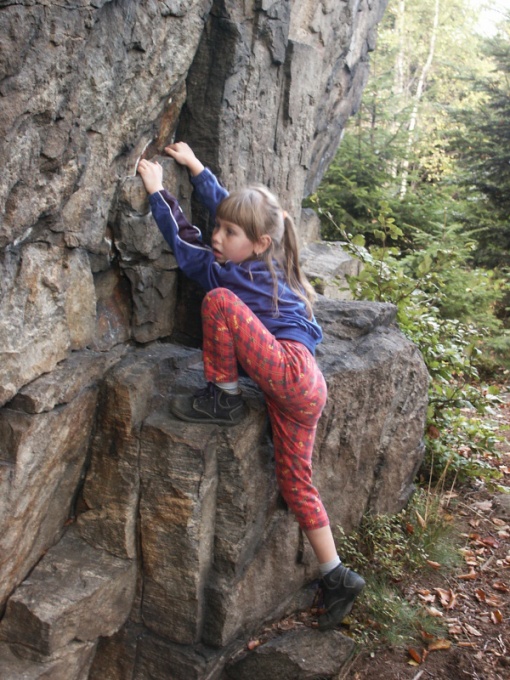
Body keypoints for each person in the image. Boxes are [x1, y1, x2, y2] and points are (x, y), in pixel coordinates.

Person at [137, 142, 365, 630]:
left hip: (288, 372)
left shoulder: (231, 275)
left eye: (228, 232)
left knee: (217, 301)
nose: (217, 237)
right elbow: (236, 214)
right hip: (304, 389)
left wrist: (159, 192)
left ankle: (223, 396)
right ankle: (337, 574)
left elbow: (184, 244)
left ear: (258, 242)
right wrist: (197, 169)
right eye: (218, 228)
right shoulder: (273, 257)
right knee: (295, 482)